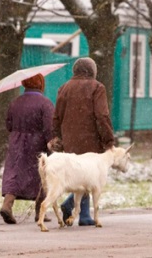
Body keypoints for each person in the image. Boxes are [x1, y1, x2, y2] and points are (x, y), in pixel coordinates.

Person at [51, 57, 115, 226]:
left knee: (81, 174)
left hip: (70, 138)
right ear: (92, 71)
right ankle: (77, 209)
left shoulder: (64, 88)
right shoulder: (97, 87)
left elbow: (57, 116)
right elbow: (102, 116)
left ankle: (80, 210)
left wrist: (60, 135)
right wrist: (108, 140)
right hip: (91, 138)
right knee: (89, 175)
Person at [0, 73, 54, 224]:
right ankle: (40, 212)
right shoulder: (45, 103)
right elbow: (49, 127)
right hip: (37, 143)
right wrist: (51, 141)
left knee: (15, 173)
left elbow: (8, 125)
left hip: (16, 143)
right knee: (40, 175)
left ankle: (7, 205)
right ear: (40, 84)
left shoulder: (15, 102)